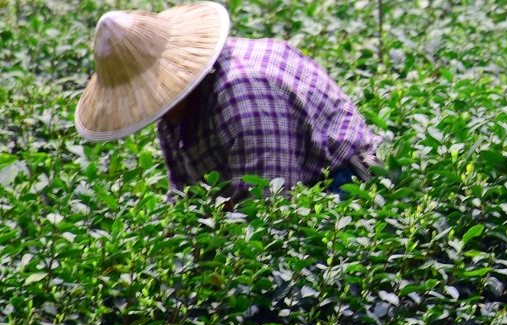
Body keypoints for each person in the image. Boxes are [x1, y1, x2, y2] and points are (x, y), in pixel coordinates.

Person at [75, 1, 382, 206]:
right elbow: (185, 198)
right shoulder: (171, 115)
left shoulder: (244, 96)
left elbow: (269, 210)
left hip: (341, 184)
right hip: (280, 189)